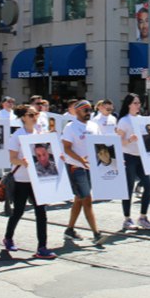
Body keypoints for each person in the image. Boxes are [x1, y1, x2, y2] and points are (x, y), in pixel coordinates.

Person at [1, 103, 57, 258]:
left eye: (36, 114)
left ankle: (42, 247)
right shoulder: (17, 135)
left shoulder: (40, 132)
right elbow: (12, 158)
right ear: (23, 118)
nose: (35, 117)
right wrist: (22, 162)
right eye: (31, 115)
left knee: (41, 212)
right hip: (21, 179)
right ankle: (8, 238)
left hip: (37, 178)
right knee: (18, 211)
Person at [61, 99, 108, 245]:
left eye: (90, 110)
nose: (88, 113)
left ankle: (69, 229)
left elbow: (101, 145)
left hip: (91, 167)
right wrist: (80, 159)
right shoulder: (71, 127)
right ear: (77, 111)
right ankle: (96, 233)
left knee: (79, 199)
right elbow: (66, 148)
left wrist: (113, 160)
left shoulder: (94, 125)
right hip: (76, 167)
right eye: (85, 110)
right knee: (87, 199)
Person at [116, 93, 150, 231]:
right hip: (129, 156)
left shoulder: (142, 119)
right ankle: (127, 219)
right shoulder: (124, 121)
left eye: (139, 103)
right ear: (129, 105)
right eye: (136, 103)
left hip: (142, 157)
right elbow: (118, 141)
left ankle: (143, 217)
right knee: (128, 188)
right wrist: (129, 140)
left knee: (149, 185)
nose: (138, 105)